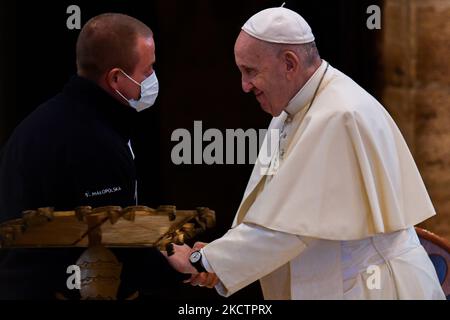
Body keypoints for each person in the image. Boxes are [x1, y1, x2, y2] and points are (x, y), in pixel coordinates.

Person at [164, 7, 446, 299]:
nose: (244, 86)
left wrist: (205, 261)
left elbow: (289, 231)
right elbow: (272, 209)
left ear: (289, 63)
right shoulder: (290, 109)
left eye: (250, 71)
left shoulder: (339, 115)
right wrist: (220, 256)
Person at [0, 13, 181, 299]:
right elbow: (112, 241)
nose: (153, 78)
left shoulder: (39, 122)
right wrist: (179, 263)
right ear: (116, 78)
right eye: (148, 70)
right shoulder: (94, 142)